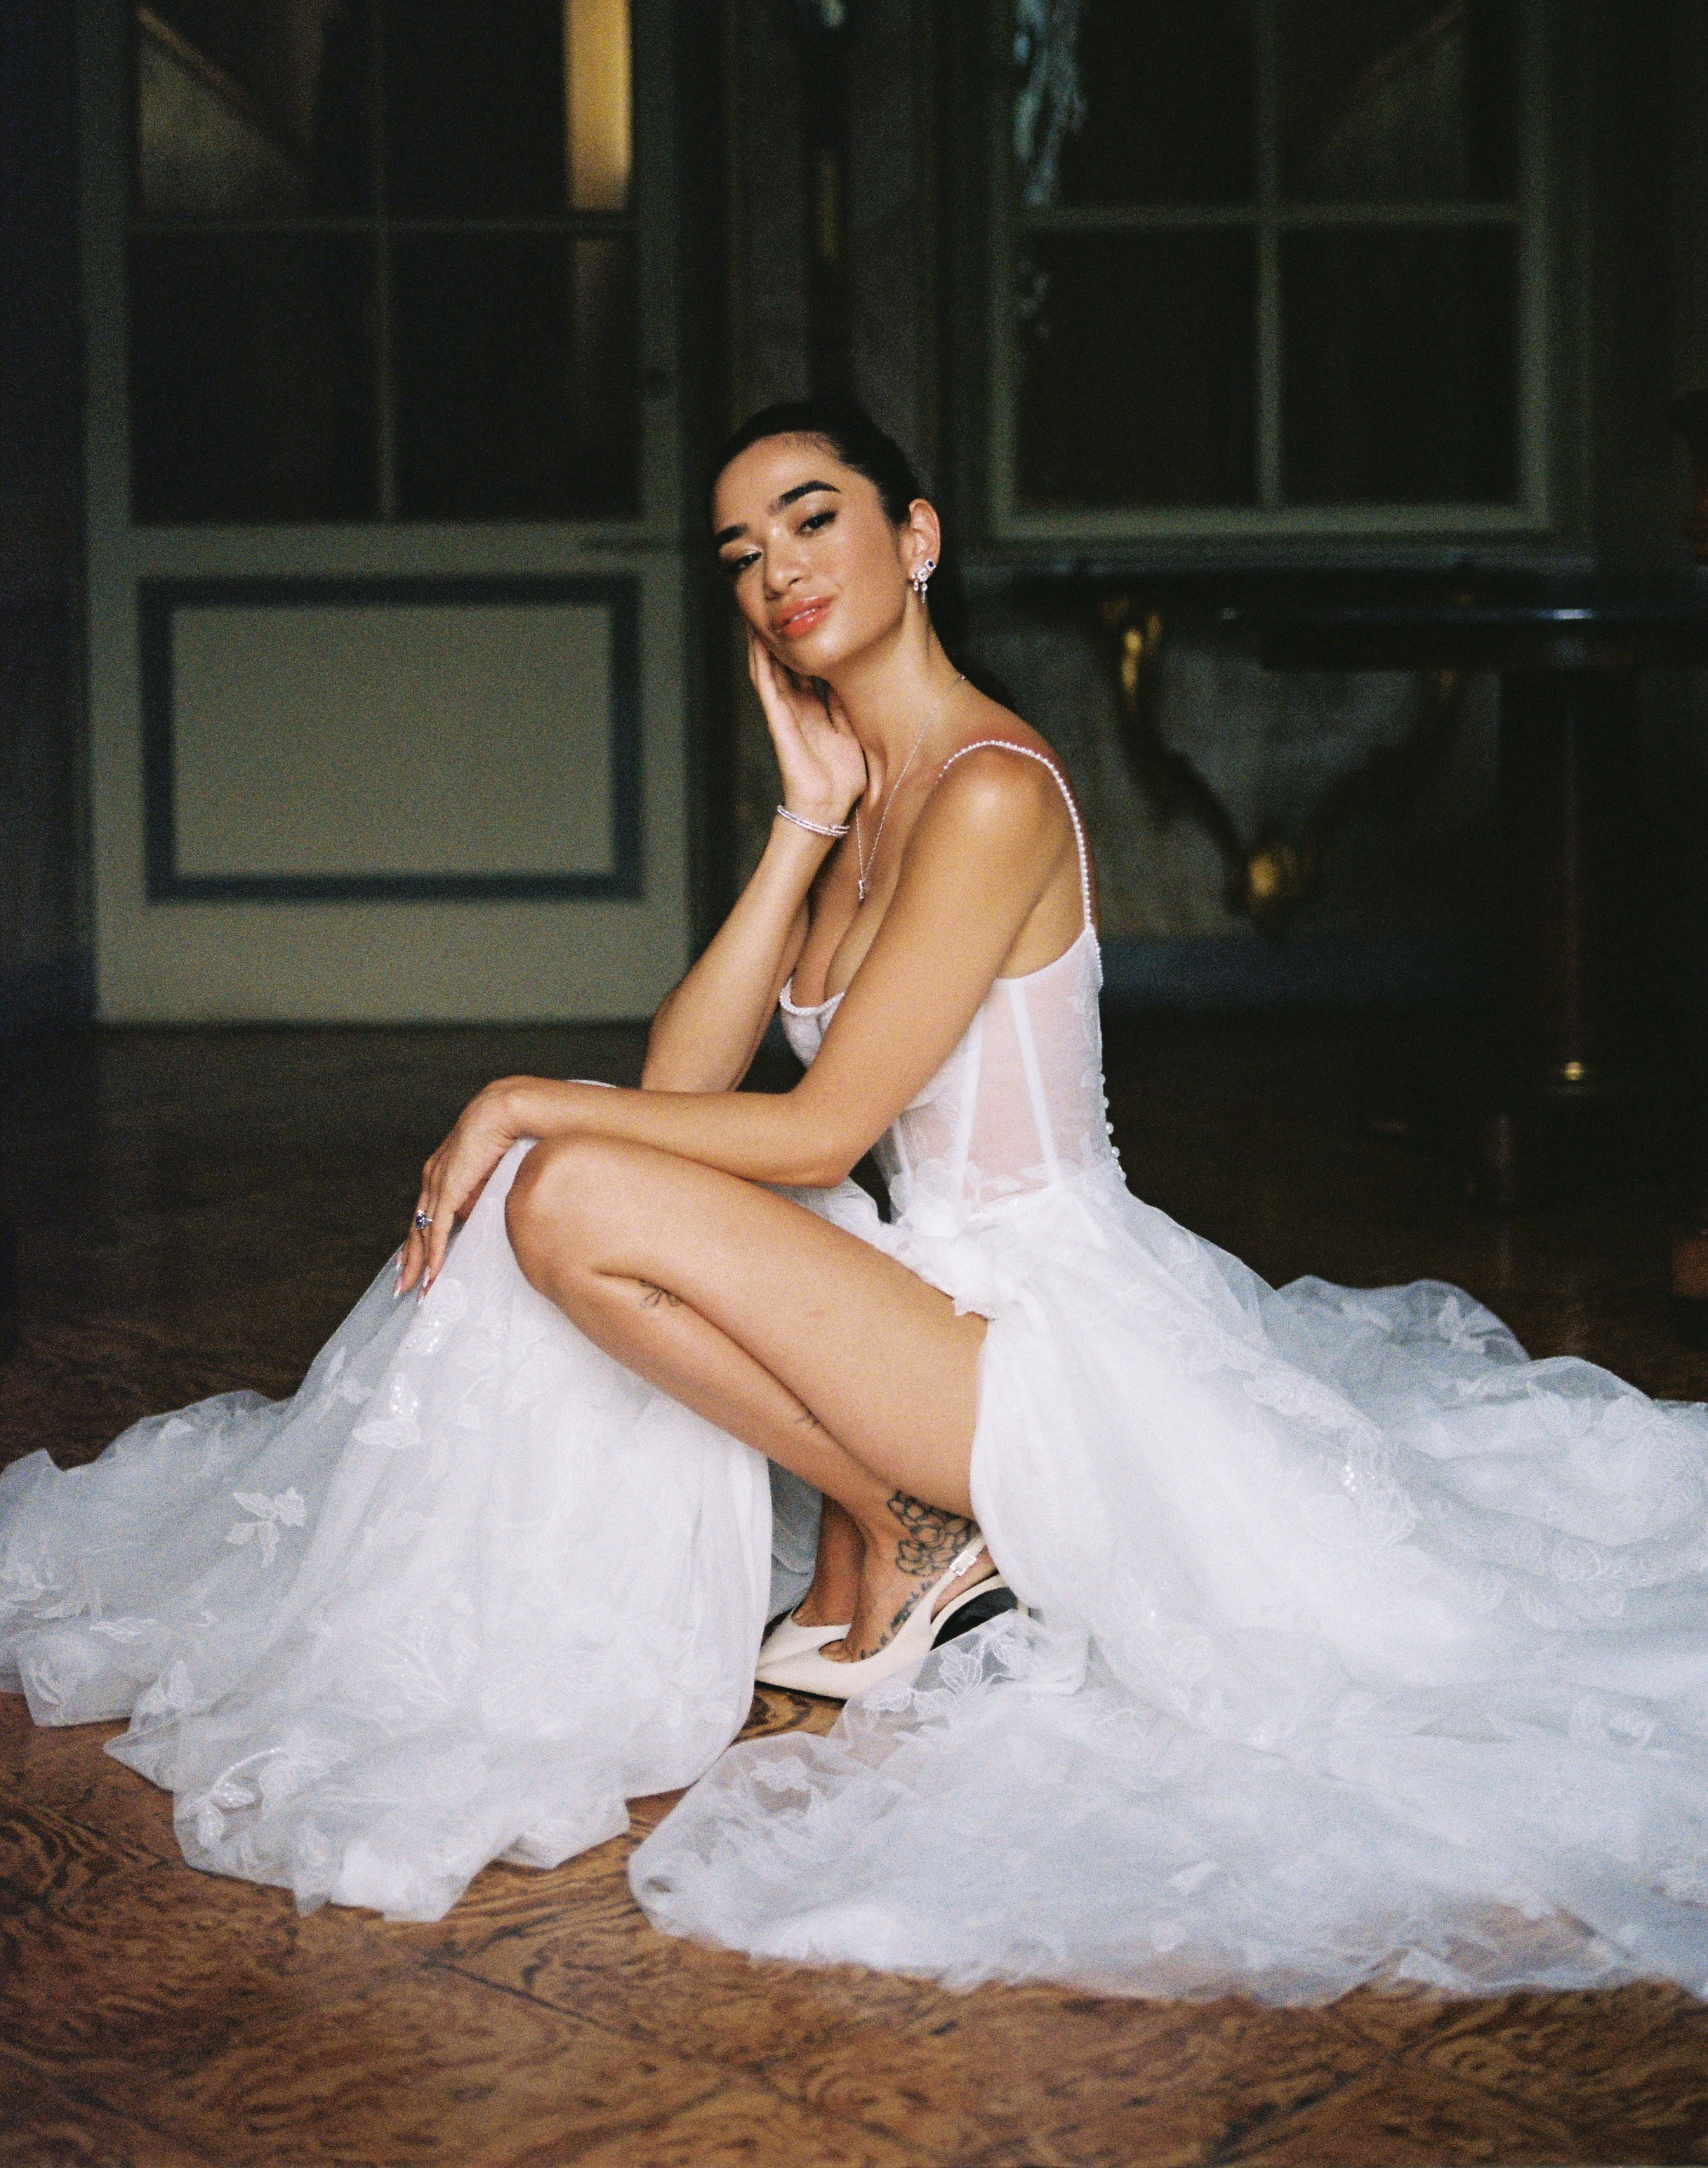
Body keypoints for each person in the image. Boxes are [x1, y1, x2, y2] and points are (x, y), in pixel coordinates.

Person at [5, 402, 1708, 2005]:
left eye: (811, 520)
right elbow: (687, 1101)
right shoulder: (873, 794)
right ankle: (904, 1520)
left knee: (559, 1180)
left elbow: (819, 1122)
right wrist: (798, 824)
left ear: (918, 535)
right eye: (741, 550)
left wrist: (515, 1092)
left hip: (1038, 1330)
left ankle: (925, 1521)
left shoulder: (984, 788)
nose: (776, 569)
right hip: (912, 1284)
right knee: (575, 1188)